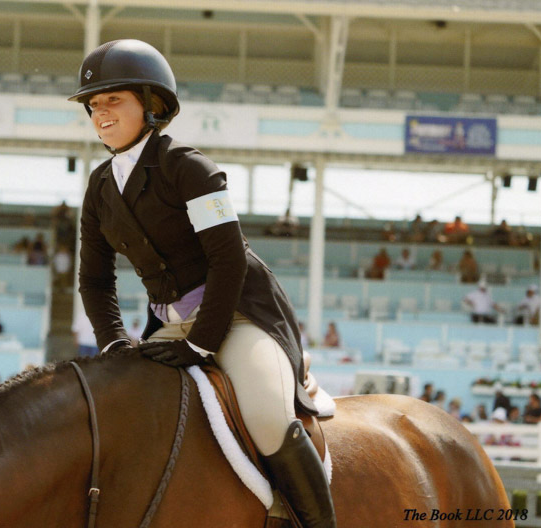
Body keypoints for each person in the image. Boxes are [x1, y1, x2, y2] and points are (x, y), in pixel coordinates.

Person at [70, 39, 333, 528]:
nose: (100, 113)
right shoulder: (100, 186)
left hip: (237, 314)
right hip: (171, 323)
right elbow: (93, 279)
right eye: (93, 105)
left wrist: (203, 345)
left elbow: (228, 260)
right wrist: (113, 344)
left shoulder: (189, 167)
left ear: (152, 106)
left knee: (268, 418)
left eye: (113, 101)